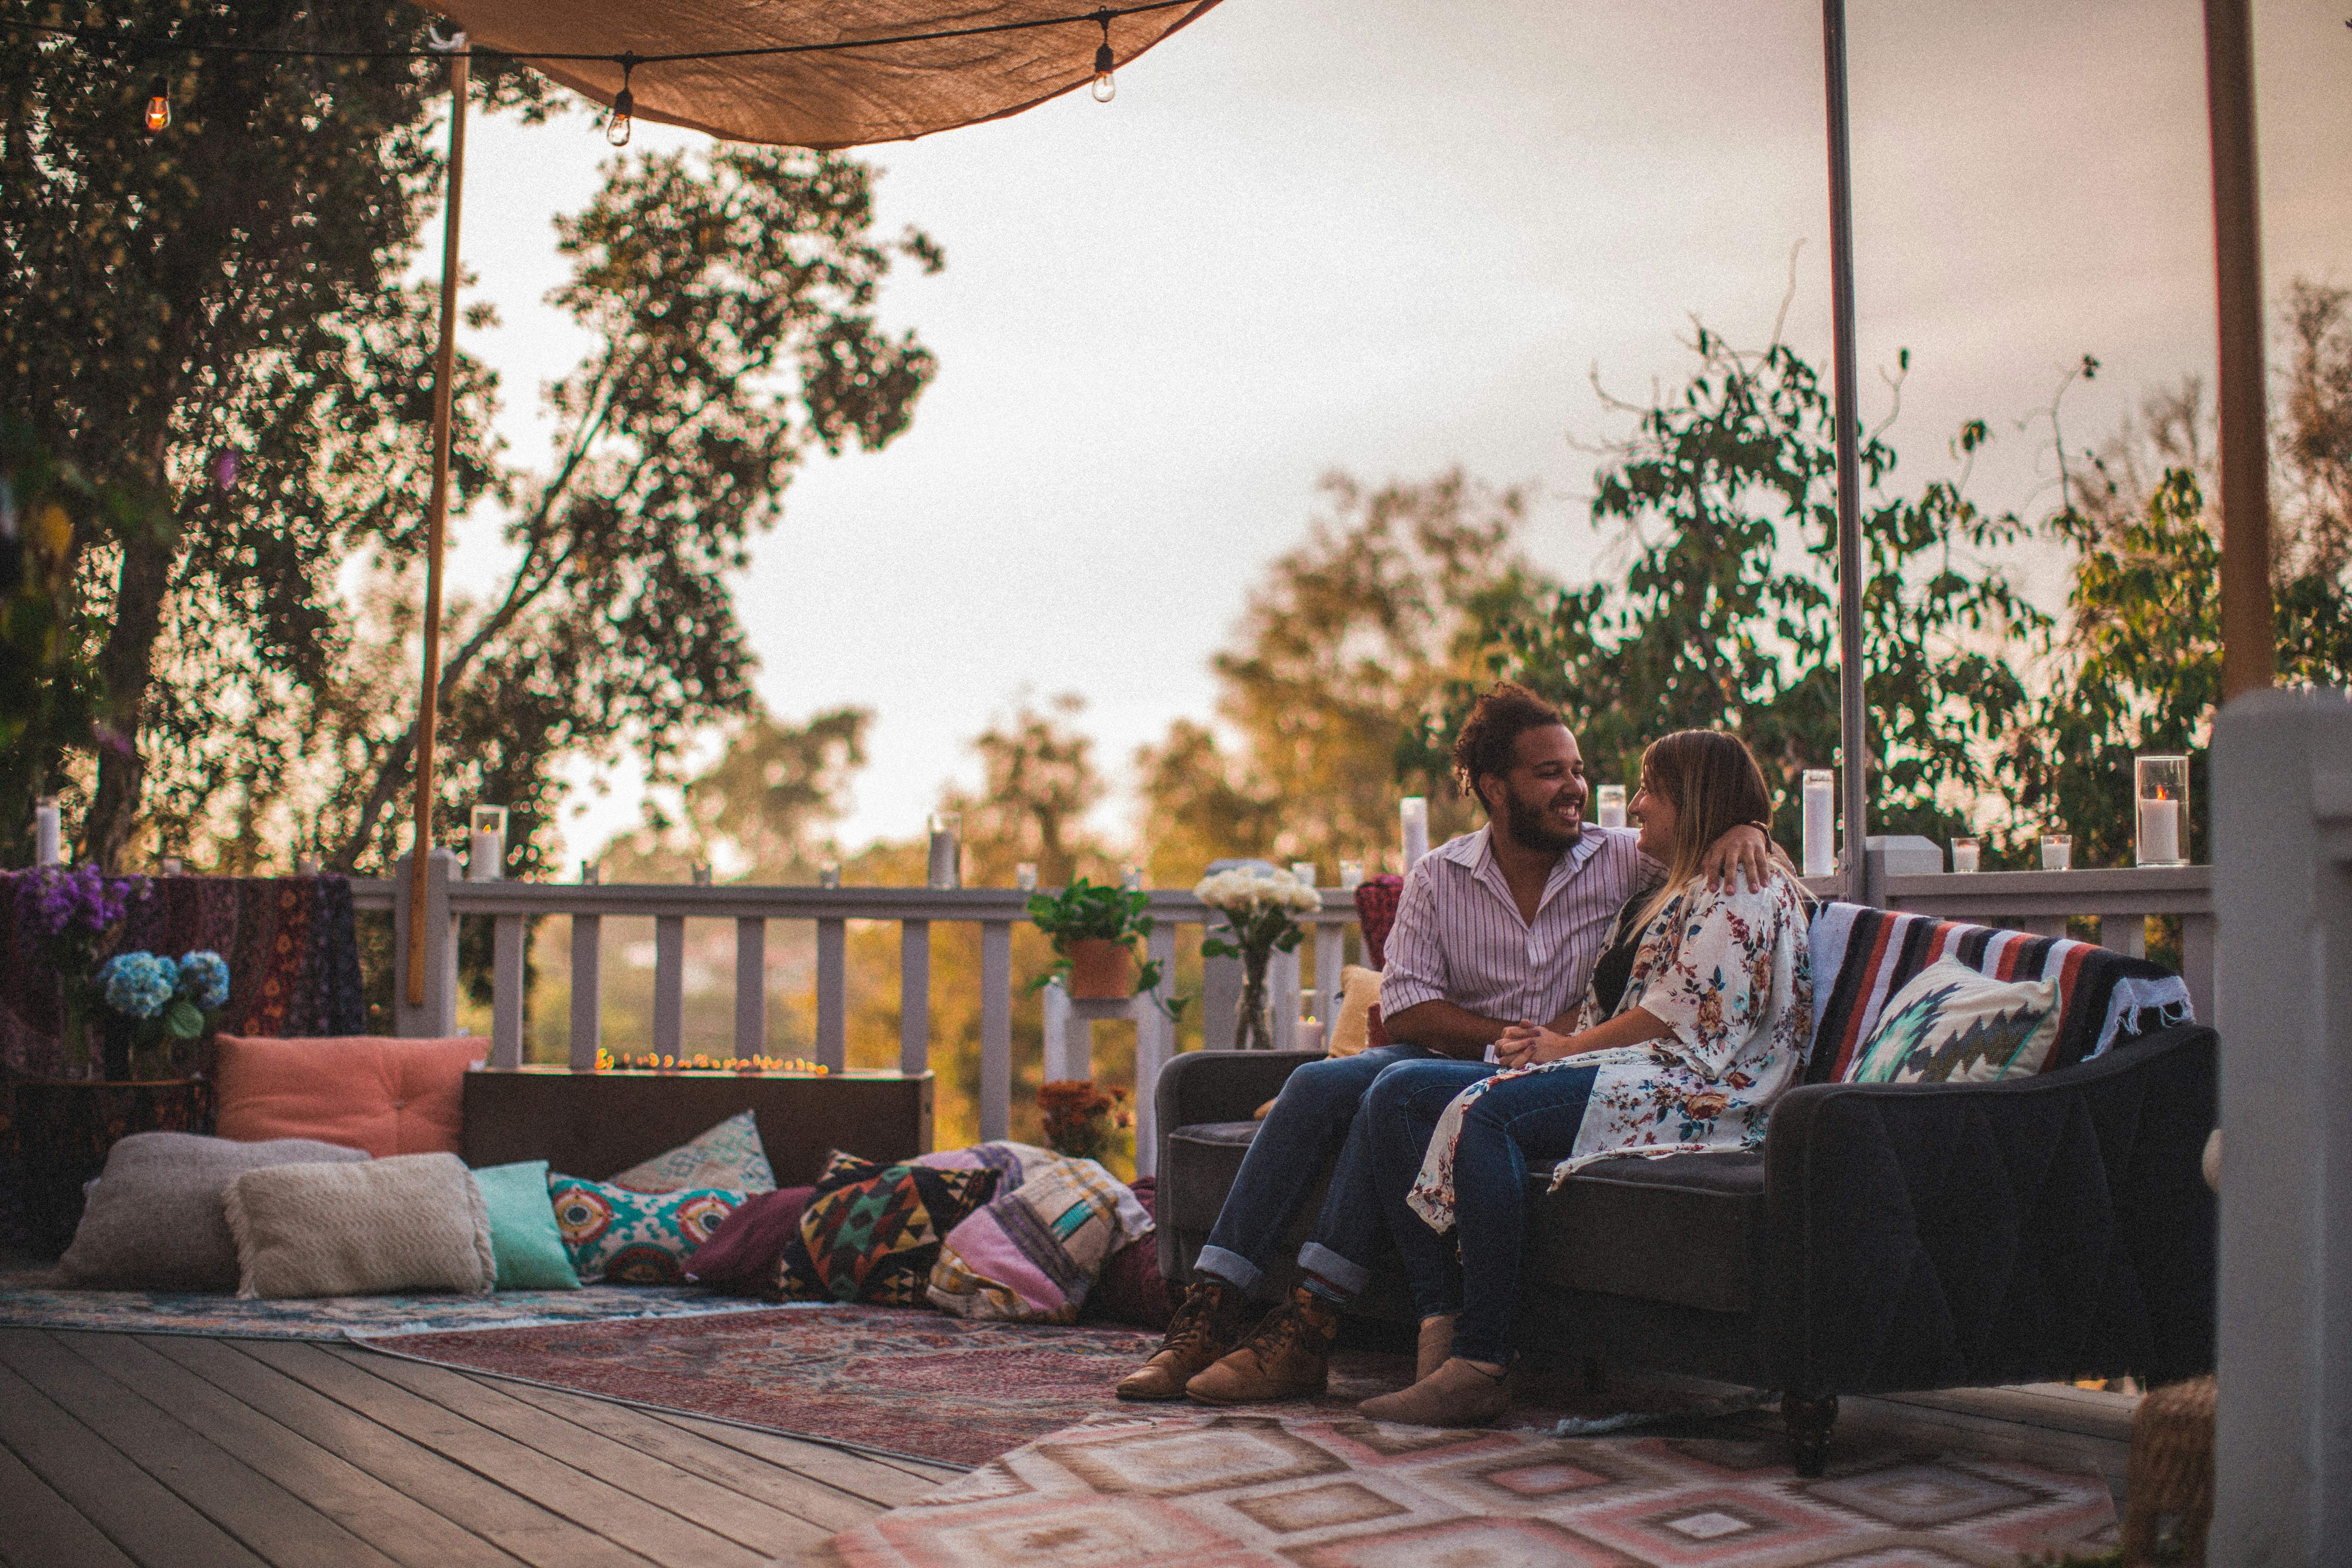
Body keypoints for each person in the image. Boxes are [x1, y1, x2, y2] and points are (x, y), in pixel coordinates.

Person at [1113, 686, 1774, 1404]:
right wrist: (1510, 1038)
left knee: (1382, 1097)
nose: (1575, 789)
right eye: (1550, 773)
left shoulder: (1623, 862)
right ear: (1496, 788)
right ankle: (1208, 1315)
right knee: (1316, 1086)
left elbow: (1709, 854)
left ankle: (1309, 1325)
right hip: (1461, 1056)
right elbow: (1406, 1008)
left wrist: (1753, 829)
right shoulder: (1440, 875)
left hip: (1553, 1068)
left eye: (1577, 770)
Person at [1352, 729, 1813, 1427]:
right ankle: (1439, 1323)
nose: (1634, 807)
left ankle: (1483, 1362)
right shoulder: (1671, 888)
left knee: (1493, 1115)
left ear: (1689, 801)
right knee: (1402, 1095)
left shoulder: (1739, 884)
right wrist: (1550, 1045)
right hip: (1639, 1067)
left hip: (1701, 1088)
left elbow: (1678, 1016)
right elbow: (1625, 1001)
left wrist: (1563, 1050)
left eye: (1650, 791)